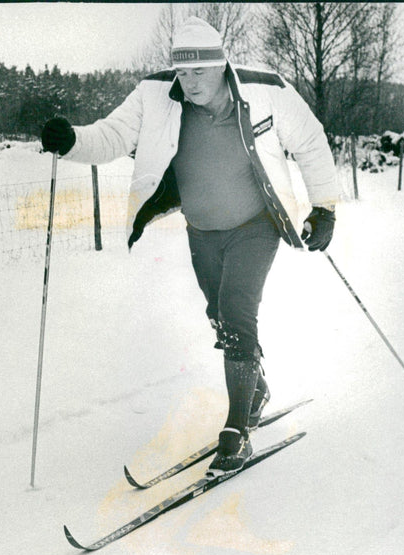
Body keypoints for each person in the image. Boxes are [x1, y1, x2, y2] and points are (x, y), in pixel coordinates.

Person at [41, 17, 341, 476]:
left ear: (221, 63)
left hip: (256, 225)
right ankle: (254, 387)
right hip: (201, 229)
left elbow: (312, 142)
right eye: (183, 72)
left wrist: (325, 207)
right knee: (219, 315)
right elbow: (112, 136)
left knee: (238, 310)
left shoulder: (267, 91)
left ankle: (237, 429)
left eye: (200, 71)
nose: (191, 82)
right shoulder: (154, 96)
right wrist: (72, 141)